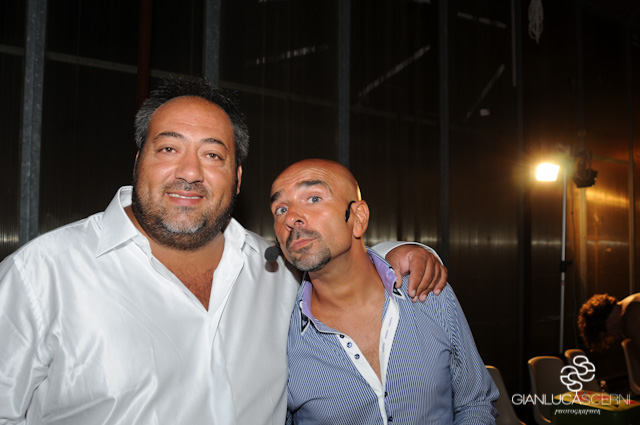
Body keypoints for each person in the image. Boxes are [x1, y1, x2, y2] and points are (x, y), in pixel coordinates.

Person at [0, 78, 447, 424]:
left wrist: (401, 252)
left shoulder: (277, 273)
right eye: (169, 148)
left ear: (237, 178)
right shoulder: (39, 276)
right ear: (138, 162)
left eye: (213, 155)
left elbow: (337, 262)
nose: (189, 172)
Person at [270, 159, 499, 425]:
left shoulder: (427, 294)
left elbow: (475, 402)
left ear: (358, 218)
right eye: (280, 209)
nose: (290, 218)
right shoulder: (281, 336)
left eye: (314, 198)